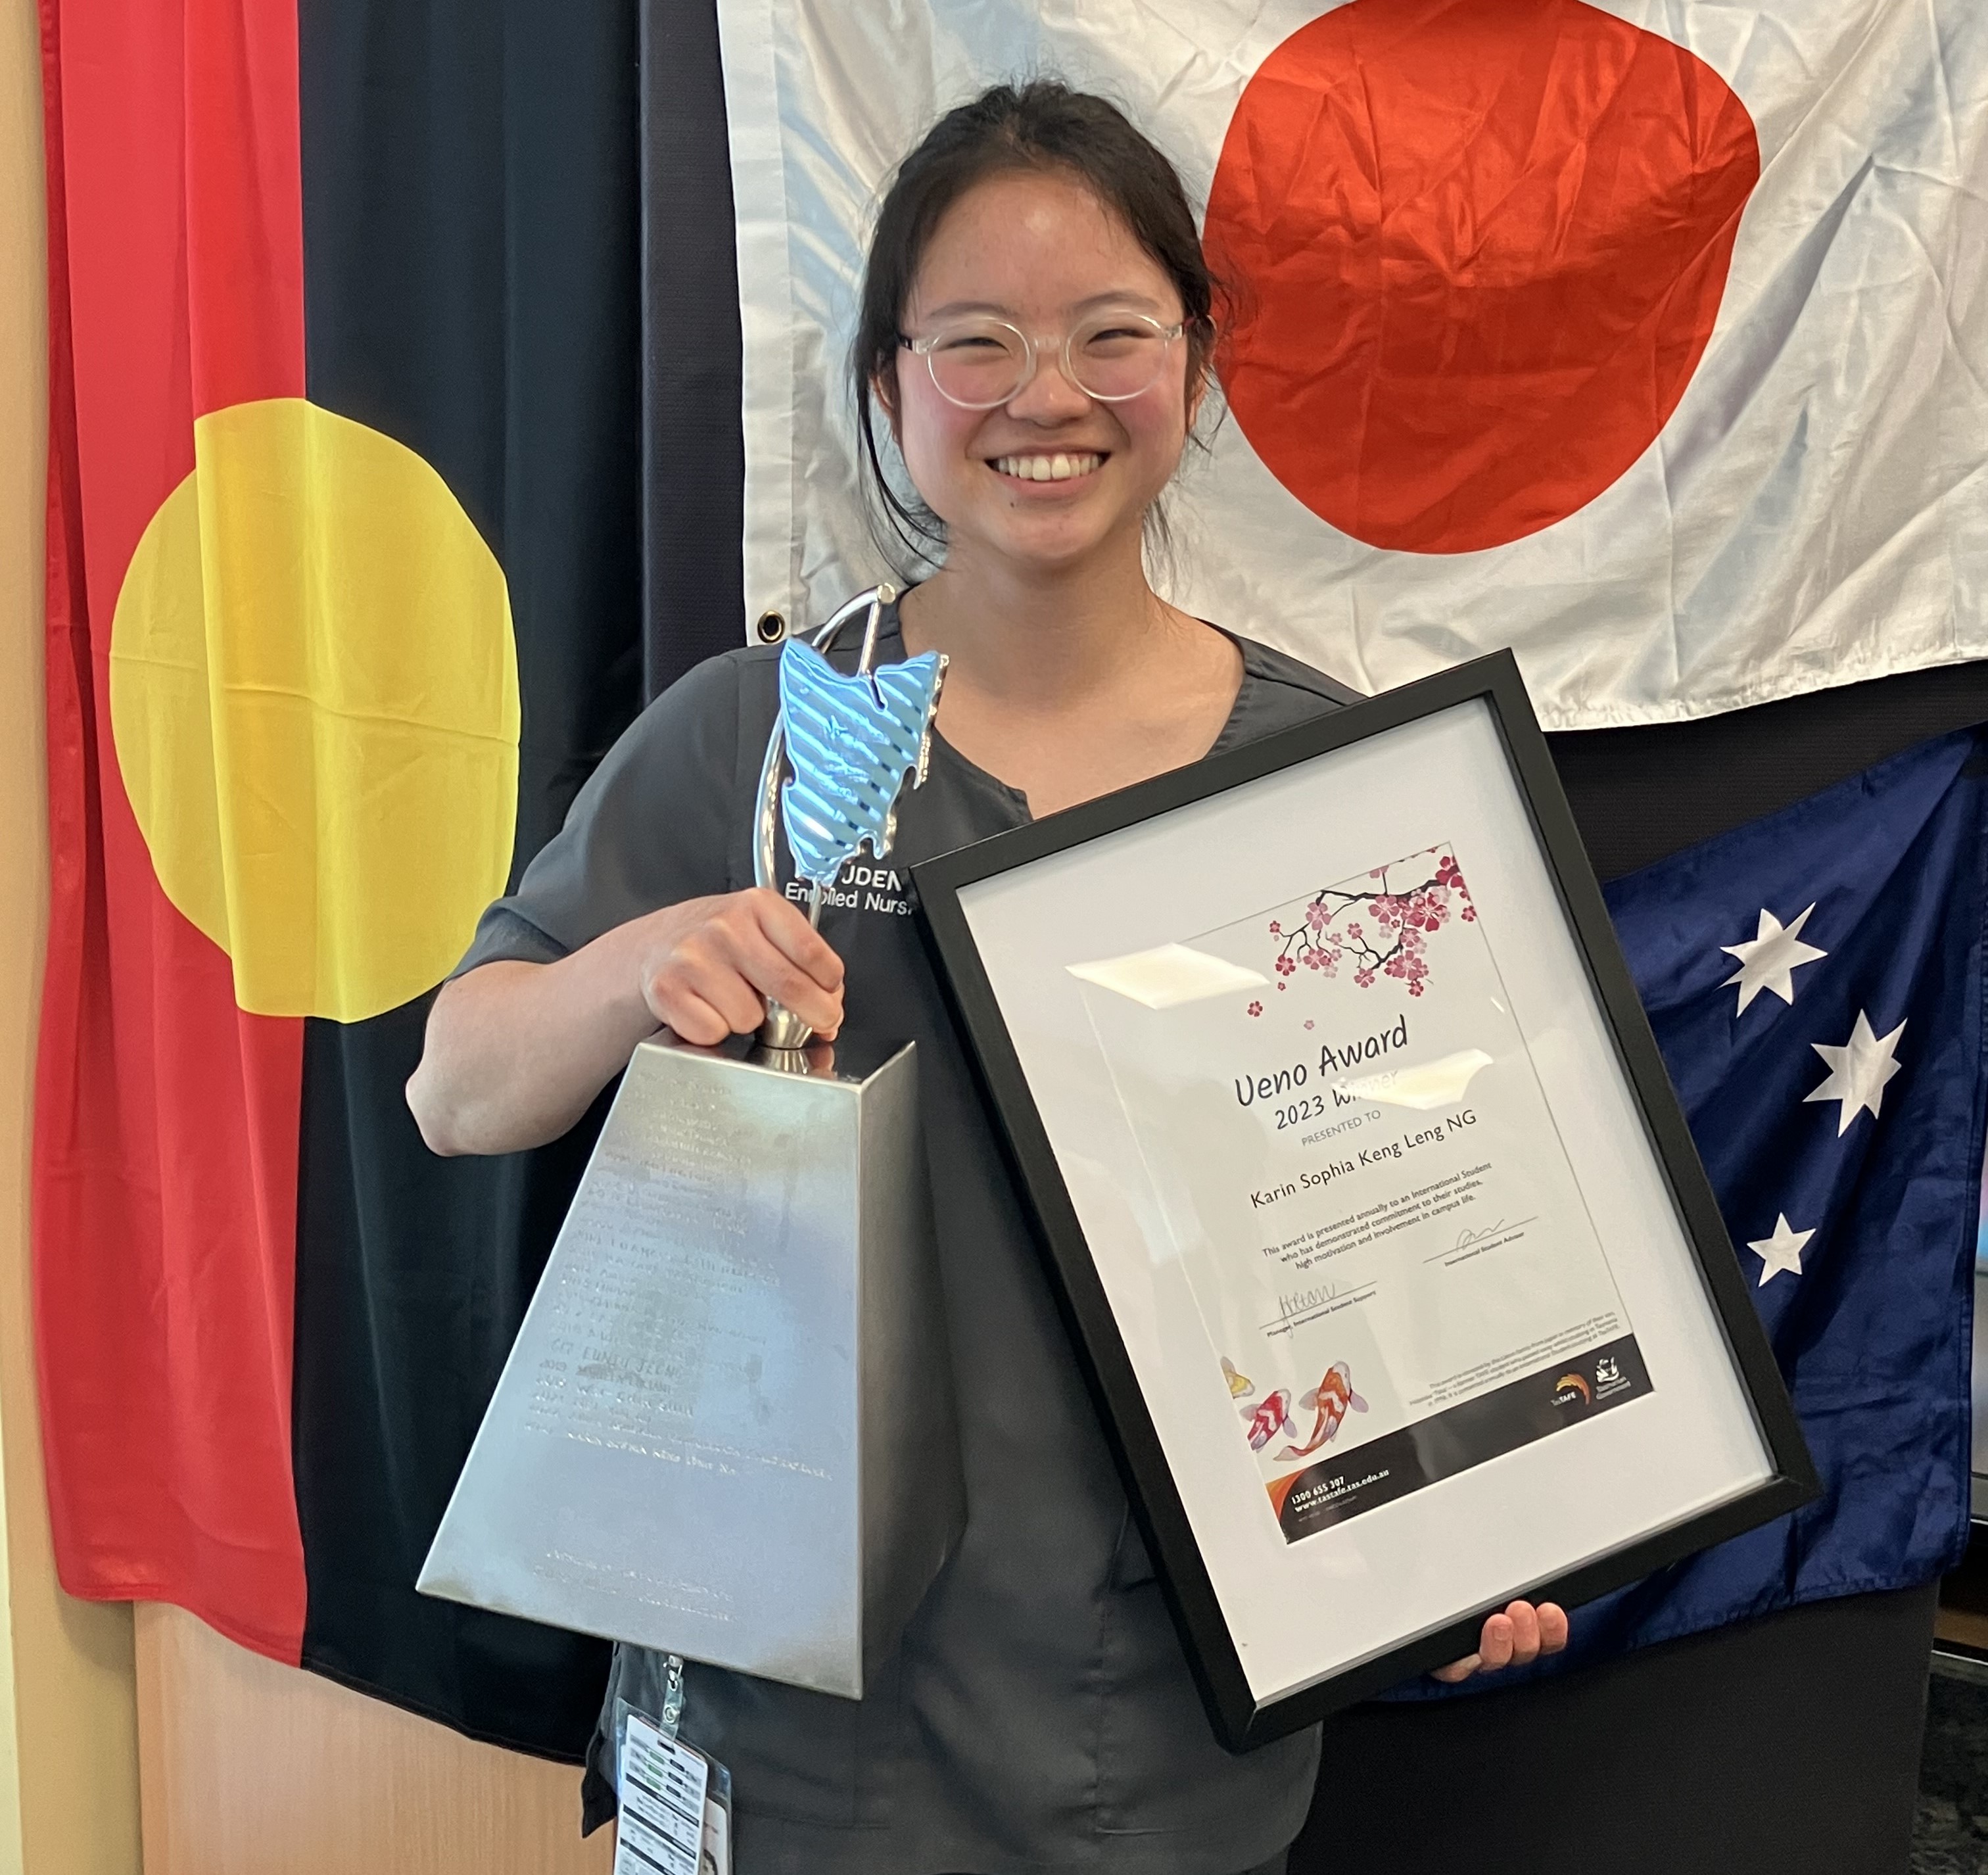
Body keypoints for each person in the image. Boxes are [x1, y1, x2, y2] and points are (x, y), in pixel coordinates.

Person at [407, 78, 1568, 1875]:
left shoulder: (1330, 787)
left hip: (1158, 1756)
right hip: (775, 1748)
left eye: (1113, 334)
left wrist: (1474, 1513)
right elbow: (455, 1087)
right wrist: (640, 963)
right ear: (887, 389)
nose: (1047, 395)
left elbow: (1425, 1234)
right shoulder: (762, 742)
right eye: (977, 342)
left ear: (1194, 367)